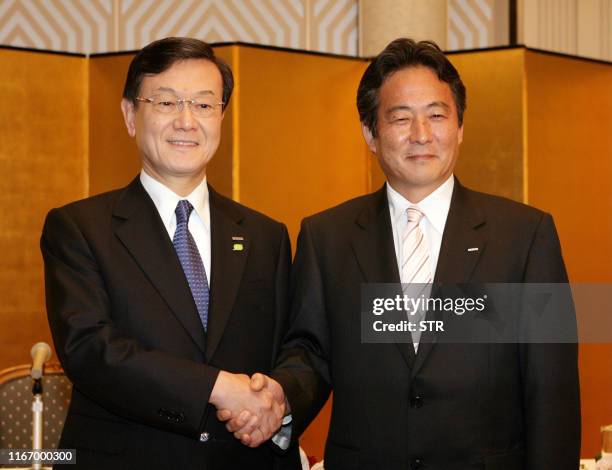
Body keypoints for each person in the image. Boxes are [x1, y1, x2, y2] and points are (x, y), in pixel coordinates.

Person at [225, 38, 581, 469]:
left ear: (460, 126)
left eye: (437, 115)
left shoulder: (525, 236)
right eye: (400, 118)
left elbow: (552, 387)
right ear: (370, 134)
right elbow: (311, 355)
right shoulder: (327, 236)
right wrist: (279, 400)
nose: (421, 135)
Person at [41, 37, 299, 469]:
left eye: (203, 105)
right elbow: (91, 350)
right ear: (129, 115)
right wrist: (216, 387)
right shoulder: (79, 228)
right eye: (165, 102)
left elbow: (293, 347)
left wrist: (278, 402)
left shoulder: (265, 235)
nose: (186, 121)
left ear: (221, 117)